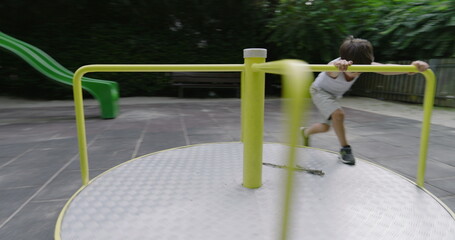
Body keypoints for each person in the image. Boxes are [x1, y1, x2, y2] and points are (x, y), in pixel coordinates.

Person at [301, 36, 429, 165]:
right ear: (344, 60)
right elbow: (331, 71)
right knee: (338, 114)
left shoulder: (364, 63)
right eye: (353, 70)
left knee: (324, 127)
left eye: (360, 71)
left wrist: (410, 68)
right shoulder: (336, 65)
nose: (356, 73)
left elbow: (385, 69)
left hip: (334, 96)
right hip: (320, 91)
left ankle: (305, 132)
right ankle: (345, 149)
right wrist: (337, 67)